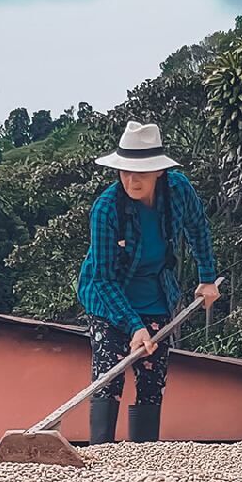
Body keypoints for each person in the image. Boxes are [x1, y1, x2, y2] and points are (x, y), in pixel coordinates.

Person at [76, 121, 220, 444]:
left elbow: (198, 228)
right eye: (125, 172)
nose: (131, 180)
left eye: (140, 172)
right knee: (108, 378)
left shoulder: (178, 191)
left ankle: (144, 456)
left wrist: (207, 278)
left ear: (159, 171)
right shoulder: (106, 209)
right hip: (108, 301)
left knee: (152, 379)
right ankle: (102, 454)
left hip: (156, 296)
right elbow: (103, 279)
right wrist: (134, 326)